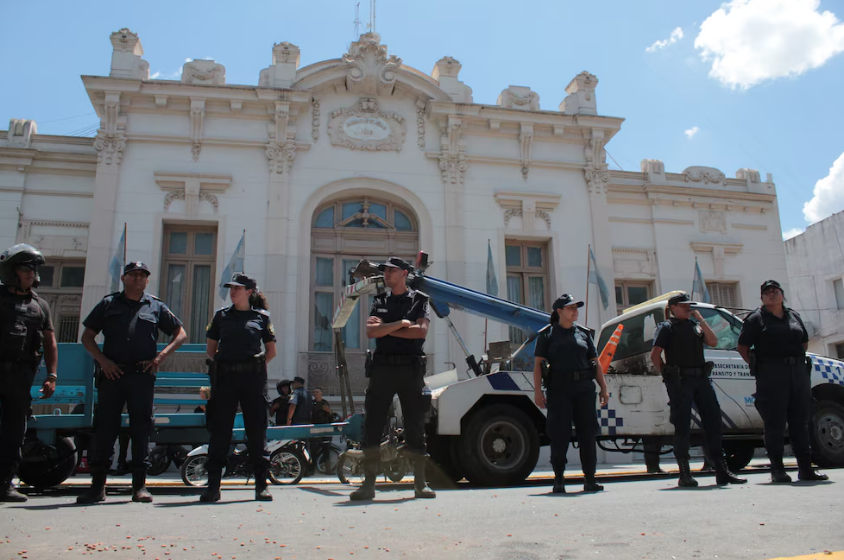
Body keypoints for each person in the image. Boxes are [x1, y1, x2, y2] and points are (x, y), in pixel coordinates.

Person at [77, 261, 187, 504]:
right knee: (105, 428)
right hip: (112, 374)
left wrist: (161, 357)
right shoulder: (108, 304)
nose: (137, 279)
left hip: (141, 375)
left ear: (147, 280)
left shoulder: (155, 306)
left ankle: (140, 486)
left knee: (141, 429)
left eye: (142, 275)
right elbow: (87, 337)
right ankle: (97, 486)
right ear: (124, 278)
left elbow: (180, 334)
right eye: (133, 275)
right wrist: (103, 361)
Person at [351, 256, 435, 500]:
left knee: (415, 425)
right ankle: (368, 484)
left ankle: (420, 483)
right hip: (382, 369)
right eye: (385, 270)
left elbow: (420, 333)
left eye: (391, 270)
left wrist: (387, 328)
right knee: (374, 424)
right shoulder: (380, 300)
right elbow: (371, 331)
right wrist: (401, 324)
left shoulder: (420, 300)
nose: (386, 273)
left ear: (405, 273)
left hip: (410, 370)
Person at [651, 292, 746, 487]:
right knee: (682, 426)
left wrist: (700, 318)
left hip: (701, 379)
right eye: (683, 306)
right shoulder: (667, 327)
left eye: (688, 305)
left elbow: (713, 341)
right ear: (673, 308)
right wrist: (667, 376)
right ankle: (684, 473)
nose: (687, 308)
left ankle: (721, 470)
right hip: (681, 381)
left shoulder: (695, 325)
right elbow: (655, 355)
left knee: (713, 423)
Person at [737, 280, 828, 483]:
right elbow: (743, 347)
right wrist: (761, 367)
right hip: (771, 374)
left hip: (797, 372)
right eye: (767, 292)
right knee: (775, 423)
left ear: (782, 295)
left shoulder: (794, 315)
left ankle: (806, 469)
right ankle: (777, 470)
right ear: (762, 298)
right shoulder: (756, 319)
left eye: (775, 291)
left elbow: (803, 342)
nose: (772, 294)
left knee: (801, 422)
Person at [201, 273, 277, 503]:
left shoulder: (261, 317)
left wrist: (252, 368)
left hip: (252, 380)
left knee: (256, 431)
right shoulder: (221, 316)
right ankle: (213, 486)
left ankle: (261, 485)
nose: (233, 291)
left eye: (238, 288)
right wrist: (230, 366)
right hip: (225, 380)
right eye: (231, 288)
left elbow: (271, 351)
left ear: (249, 292)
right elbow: (211, 349)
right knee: (220, 431)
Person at [533, 294, 608, 494]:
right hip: (559, 389)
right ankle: (559, 480)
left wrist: (604, 387)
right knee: (559, 435)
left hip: (584, 388)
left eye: (576, 308)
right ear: (559, 312)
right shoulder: (547, 335)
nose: (575, 311)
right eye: (570, 308)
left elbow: (596, 361)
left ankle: (590, 479)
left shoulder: (584, 334)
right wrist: (538, 391)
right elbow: (538, 365)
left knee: (588, 434)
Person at [0, 244, 57, 503]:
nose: (31, 274)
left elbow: (49, 342)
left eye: (34, 269)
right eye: (26, 269)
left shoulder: (40, 305)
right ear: (12, 271)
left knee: (15, 430)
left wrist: (52, 375)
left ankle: (5, 483)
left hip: (21, 375)